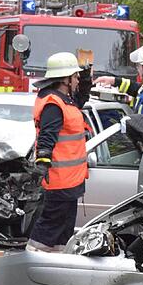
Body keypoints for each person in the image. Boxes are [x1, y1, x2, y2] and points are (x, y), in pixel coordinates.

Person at [26, 52, 91, 252]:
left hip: (70, 180)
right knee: (49, 227)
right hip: (60, 180)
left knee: (63, 231)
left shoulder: (66, 100)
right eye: (76, 76)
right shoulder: (54, 104)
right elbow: (48, 135)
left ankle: (58, 263)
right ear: (65, 79)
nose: (78, 79)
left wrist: (86, 76)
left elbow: (80, 99)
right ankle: (33, 258)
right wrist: (43, 162)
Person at [95, 45, 143, 147]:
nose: (137, 69)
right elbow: (134, 88)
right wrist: (113, 81)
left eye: (139, 66)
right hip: (141, 143)